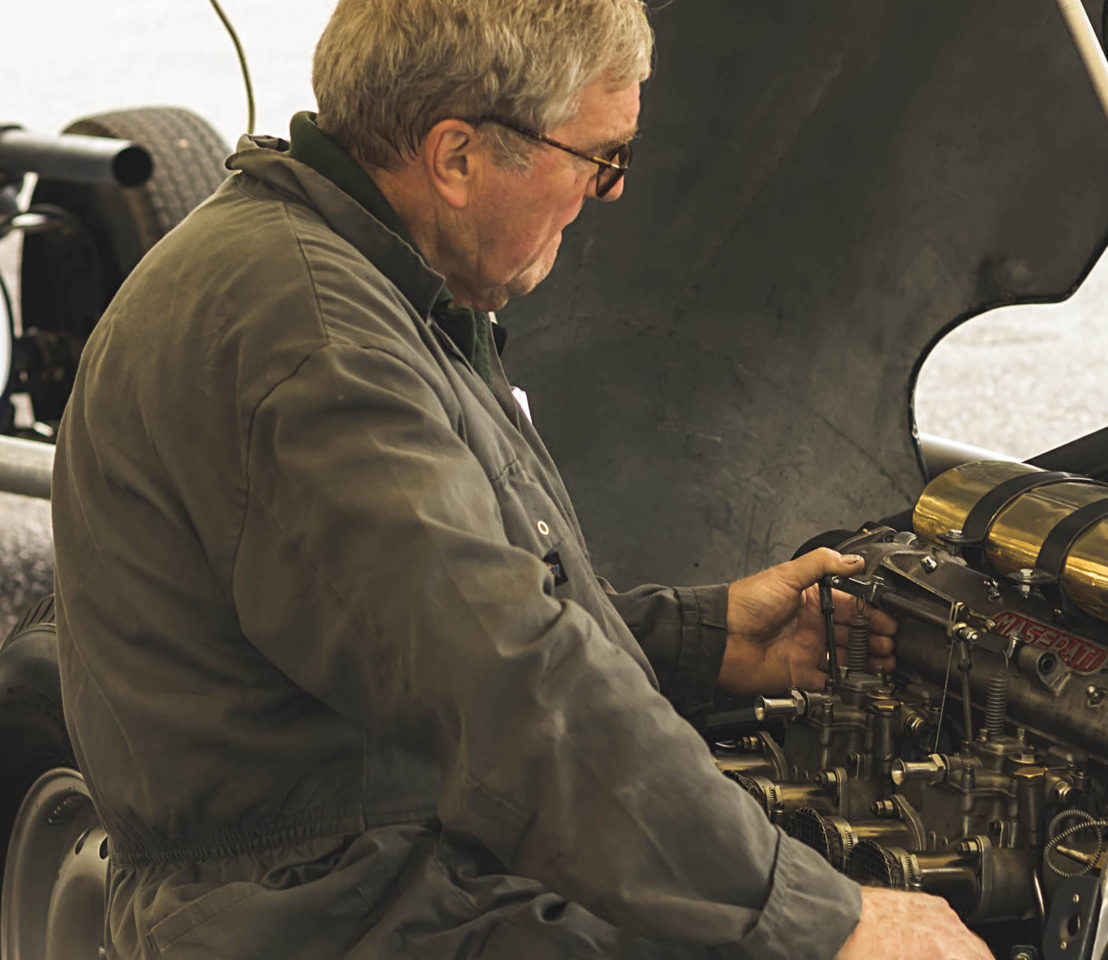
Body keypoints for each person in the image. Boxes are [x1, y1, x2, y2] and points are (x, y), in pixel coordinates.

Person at [50, 1, 995, 958]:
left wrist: (700, 643)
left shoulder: (344, 275)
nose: (608, 193)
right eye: (601, 158)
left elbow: (429, 631)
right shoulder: (319, 347)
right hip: (334, 908)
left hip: (366, 862)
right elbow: (502, 682)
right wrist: (822, 919)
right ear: (456, 157)